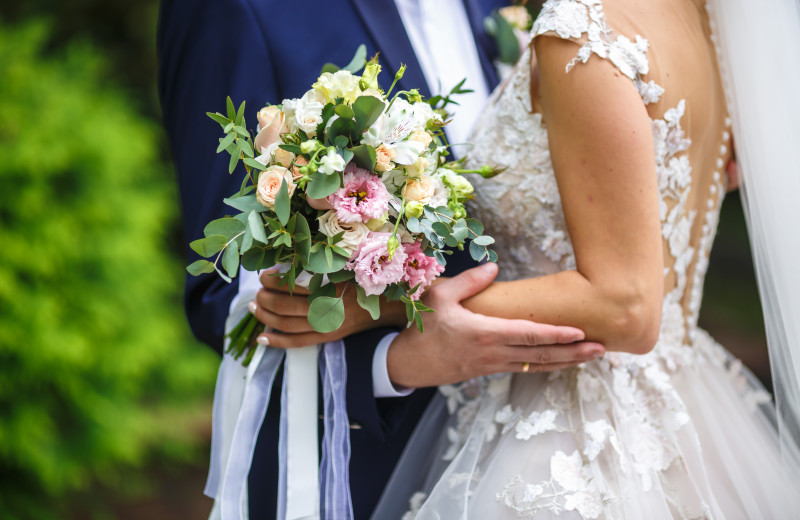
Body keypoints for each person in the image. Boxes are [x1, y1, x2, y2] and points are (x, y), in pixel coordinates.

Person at [262, 0, 800, 517]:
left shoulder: (584, 28)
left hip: (569, 434)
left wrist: (393, 306)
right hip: (684, 412)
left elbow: (627, 306)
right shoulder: (708, 25)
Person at [157, 0, 605, 518]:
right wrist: (396, 360)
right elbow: (224, 282)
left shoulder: (495, 9)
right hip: (358, 470)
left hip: (535, 452)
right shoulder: (233, 10)